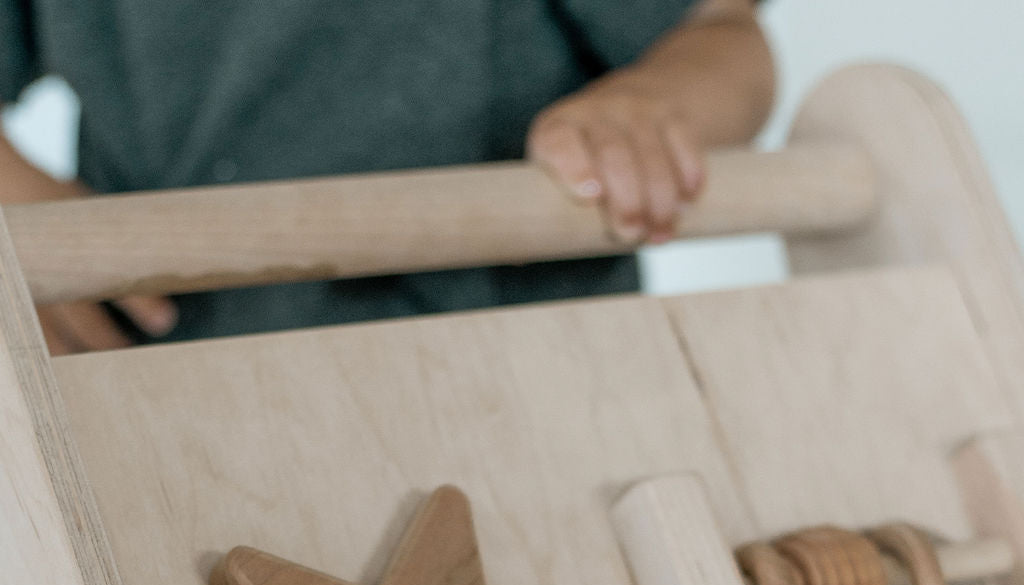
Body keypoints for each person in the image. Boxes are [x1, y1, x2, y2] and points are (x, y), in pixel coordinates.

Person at [0, 0, 773, 352]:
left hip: (527, 383)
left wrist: (655, 105)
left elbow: (722, 32)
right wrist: (24, 209)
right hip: (165, 401)